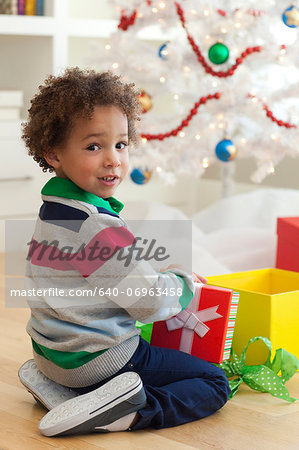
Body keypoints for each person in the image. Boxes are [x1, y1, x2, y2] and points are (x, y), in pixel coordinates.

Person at [19, 67, 230, 437]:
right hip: (99, 358)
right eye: (93, 146)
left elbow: (97, 276)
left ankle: (66, 391)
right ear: (53, 152)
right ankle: (129, 414)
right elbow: (147, 302)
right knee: (214, 381)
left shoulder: (53, 210)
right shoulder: (94, 225)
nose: (113, 159)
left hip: (51, 353)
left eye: (121, 144)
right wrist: (179, 283)